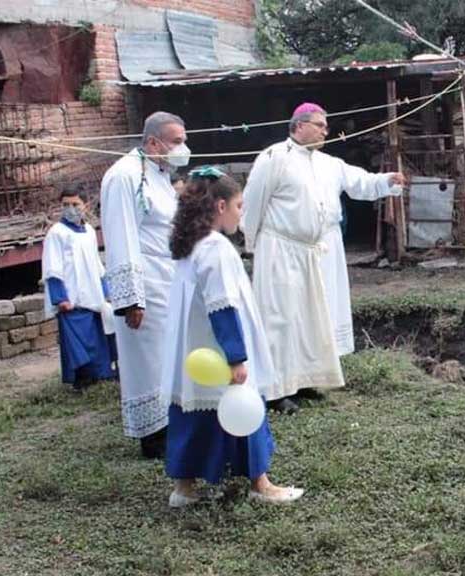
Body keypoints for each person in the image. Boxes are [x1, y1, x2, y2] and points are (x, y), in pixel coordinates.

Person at [241, 103, 407, 411]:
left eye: (326, 126)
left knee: (313, 318)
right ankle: (276, 390)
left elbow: (360, 183)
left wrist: (387, 181)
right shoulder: (274, 158)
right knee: (282, 319)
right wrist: (254, 246)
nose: (325, 130)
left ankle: (304, 381)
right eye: (319, 125)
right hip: (281, 251)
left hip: (316, 252)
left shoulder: (330, 163)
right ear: (298, 126)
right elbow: (252, 202)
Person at [161, 166, 303, 507]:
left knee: (193, 413)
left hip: (193, 351)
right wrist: (236, 356)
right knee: (244, 405)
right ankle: (261, 484)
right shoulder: (215, 248)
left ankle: (184, 487)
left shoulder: (188, 244)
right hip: (215, 347)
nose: (243, 212)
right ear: (220, 206)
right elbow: (221, 305)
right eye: (239, 205)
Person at [100, 111, 187, 459]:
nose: (183, 148)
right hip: (145, 285)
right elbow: (120, 236)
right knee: (149, 360)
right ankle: (153, 436)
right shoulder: (124, 176)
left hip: (169, 280)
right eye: (176, 141)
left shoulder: (159, 174)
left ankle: (173, 424)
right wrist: (129, 299)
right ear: (153, 142)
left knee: (170, 356)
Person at [41, 184, 115, 391]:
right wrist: (60, 298)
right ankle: (81, 378)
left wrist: (105, 290)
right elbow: (52, 267)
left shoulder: (90, 231)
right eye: (66, 204)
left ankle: (101, 373)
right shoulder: (57, 233)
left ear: (86, 205)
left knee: (98, 336)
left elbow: (96, 264)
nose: (71, 208)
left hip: (92, 294)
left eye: (75, 204)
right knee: (77, 341)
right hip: (71, 298)